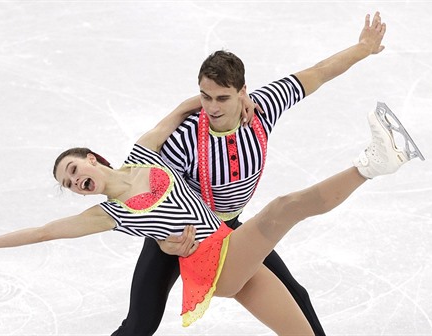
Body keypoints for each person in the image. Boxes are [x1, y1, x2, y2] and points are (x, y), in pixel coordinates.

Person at [0, 92, 424, 334]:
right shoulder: (110, 214)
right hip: (213, 264)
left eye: (73, 168)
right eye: (68, 183)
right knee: (282, 209)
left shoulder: (146, 152)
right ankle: (373, 164)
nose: (74, 180)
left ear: (92, 157)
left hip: (233, 250)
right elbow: (43, 233)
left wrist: (234, 104)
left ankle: (374, 164)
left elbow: (184, 109)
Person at [113, 11, 388, 336]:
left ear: (243, 92)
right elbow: (153, 198)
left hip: (229, 230)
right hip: (182, 235)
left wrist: (363, 48)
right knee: (139, 325)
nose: (212, 107)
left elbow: (318, 73)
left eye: (222, 98)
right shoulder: (186, 138)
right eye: (205, 97)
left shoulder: (263, 107)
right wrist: (164, 242)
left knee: (297, 296)